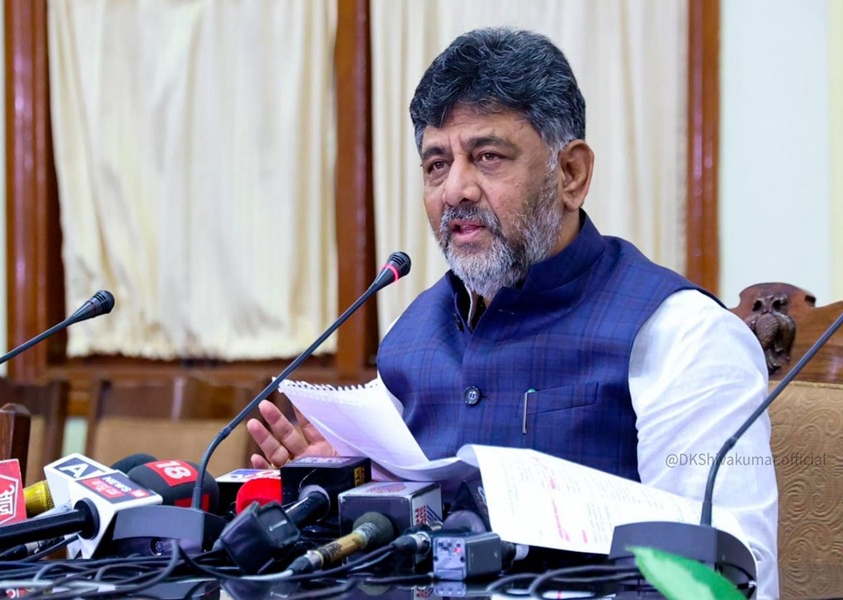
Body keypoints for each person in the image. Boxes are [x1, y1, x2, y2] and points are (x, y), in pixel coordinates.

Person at [247, 27, 778, 597]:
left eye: (488, 157)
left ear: (570, 174)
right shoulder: (412, 333)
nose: (455, 189)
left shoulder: (681, 336)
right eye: (436, 164)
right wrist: (350, 488)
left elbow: (732, 573)